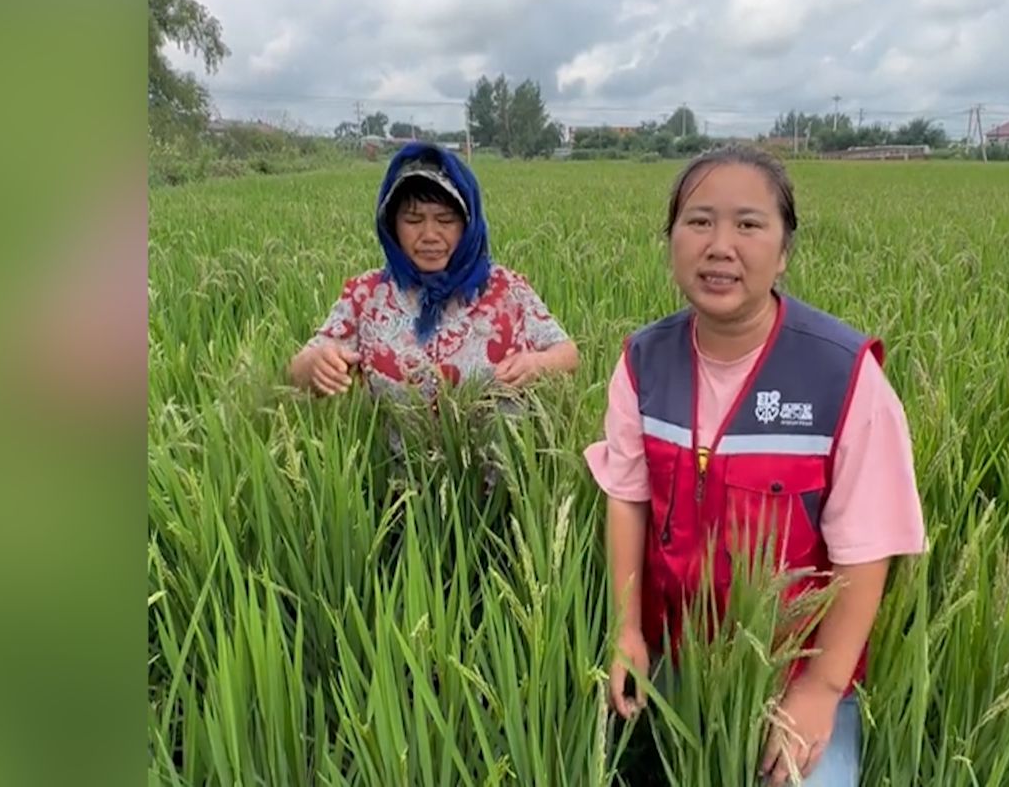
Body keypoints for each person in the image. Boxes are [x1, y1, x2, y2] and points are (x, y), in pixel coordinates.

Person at [585, 146, 926, 786]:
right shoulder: (642, 364)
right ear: (671, 241)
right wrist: (627, 629)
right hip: (679, 659)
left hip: (795, 672)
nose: (720, 246)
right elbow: (628, 495)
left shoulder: (843, 375)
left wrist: (821, 689)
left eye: (748, 224)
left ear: (784, 249)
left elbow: (867, 548)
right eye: (698, 221)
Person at [288, 141, 579, 400]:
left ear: (468, 225)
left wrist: (538, 365)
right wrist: (315, 365)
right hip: (394, 460)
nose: (429, 235)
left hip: (498, 458)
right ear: (392, 225)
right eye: (413, 220)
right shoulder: (367, 296)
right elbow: (298, 368)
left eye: (445, 220)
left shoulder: (506, 289)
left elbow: (567, 353)